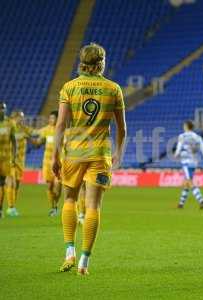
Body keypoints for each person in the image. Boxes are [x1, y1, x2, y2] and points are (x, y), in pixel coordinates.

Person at [53, 43, 126, 275]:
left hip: (74, 152)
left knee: (70, 200)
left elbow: (61, 125)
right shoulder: (113, 88)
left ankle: (69, 251)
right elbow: (122, 128)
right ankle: (84, 262)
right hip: (99, 153)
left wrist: (56, 156)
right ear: (101, 62)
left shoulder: (69, 88)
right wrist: (119, 153)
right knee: (93, 206)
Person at [174, 120, 203, 209]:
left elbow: (178, 148)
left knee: (189, 182)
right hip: (194, 162)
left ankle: (201, 201)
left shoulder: (182, 136)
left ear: (186, 126)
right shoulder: (197, 137)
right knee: (186, 182)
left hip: (186, 162)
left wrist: (176, 155)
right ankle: (181, 204)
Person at [6, 110, 34, 217]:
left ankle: (12, 205)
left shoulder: (24, 129)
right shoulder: (9, 128)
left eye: (22, 117)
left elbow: (34, 136)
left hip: (20, 162)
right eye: (20, 117)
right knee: (11, 182)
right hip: (10, 160)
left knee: (17, 184)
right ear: (15, 117)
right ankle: (10, 207)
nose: (22, 119)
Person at [33, 111, 62, 216]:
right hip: (47, 162)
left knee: (58, 187)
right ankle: (53, 207)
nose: (51, 120)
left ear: (58, 119)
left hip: (59, 163)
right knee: (50, 186)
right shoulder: (46, 130)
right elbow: (38, 143)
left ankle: (56, 204)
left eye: (53, 118)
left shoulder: (62, 130)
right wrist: (29, 137)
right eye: (50, 118)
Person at [0, 102, 17, 218]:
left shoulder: (10, 123)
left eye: (3, 109)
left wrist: (14, 156)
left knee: (2, 183)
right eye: (0, 108)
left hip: (5, 159)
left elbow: (14, 141)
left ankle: (0, 209)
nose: (2, 110)